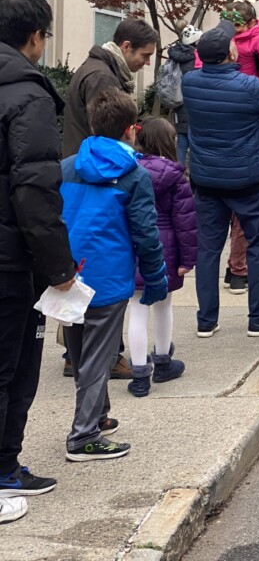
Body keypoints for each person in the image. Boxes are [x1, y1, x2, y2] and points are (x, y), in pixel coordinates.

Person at [0, 0, 77, 522]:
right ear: (35, 36)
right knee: (12, 367)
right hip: (10, 259)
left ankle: (7, 466)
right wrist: (59, 268)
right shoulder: (28, 94)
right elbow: (35, 190)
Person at [60, 89, 167, 460]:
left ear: (92, 123)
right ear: (130, 129)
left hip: (68, 274)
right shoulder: (133, 174)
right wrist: (156, 278)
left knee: (79, 351)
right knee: (99, 358)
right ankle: (83, 435)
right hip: (108, 278)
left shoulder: (67, 166)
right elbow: (145, 234)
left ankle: (99, 415)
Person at [182, 19, 259, 337]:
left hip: (206, 180)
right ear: (231, 54)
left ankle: (206, 321)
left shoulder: (190, 83)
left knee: (208, 250)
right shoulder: (249, 87)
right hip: (247, 181)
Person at [126, 117, 197, 398]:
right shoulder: (176, 176)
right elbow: (186, 223)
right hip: (165, 246)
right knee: (164, 306)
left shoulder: (128, 171)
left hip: (133, 246)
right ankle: (163, 362)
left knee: (137, 309)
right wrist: (187, 259)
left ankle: (140, 375)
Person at [63, 18, 159, 157]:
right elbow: (109, 138)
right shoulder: (102, 77)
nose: (148, 62)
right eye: (145, 55)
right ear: (126, 47)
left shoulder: (99, 70)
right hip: (93, 169)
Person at [196, 0, 259, 86]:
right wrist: (202, 73)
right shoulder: (222, 35)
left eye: (237, 25)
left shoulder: (258, 38)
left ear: (251, 23)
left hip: (246, 86)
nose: (231, 29)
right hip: (221, 83)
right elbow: (203, 51)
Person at [165, 25, 203, 165]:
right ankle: (194, 175)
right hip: (193, 105)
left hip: (179, 104)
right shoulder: (196, 59)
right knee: (194, 144)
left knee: (181, 142)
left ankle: (178, 171)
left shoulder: (176, 56)